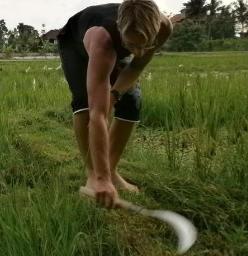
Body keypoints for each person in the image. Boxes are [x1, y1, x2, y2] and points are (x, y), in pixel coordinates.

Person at [57, 0, 172, 209]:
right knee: (85, 102)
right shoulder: (103, 40)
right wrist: (101, 179)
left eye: (144, 45)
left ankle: (111, 171)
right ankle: (94, 175)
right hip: (75, 43)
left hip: (114, 47)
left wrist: (116, 93)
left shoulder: (164, 28)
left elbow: (136, 67)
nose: (138, 52)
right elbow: (98, 114)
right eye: (131, 45)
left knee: (132, 100)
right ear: (120, 29)